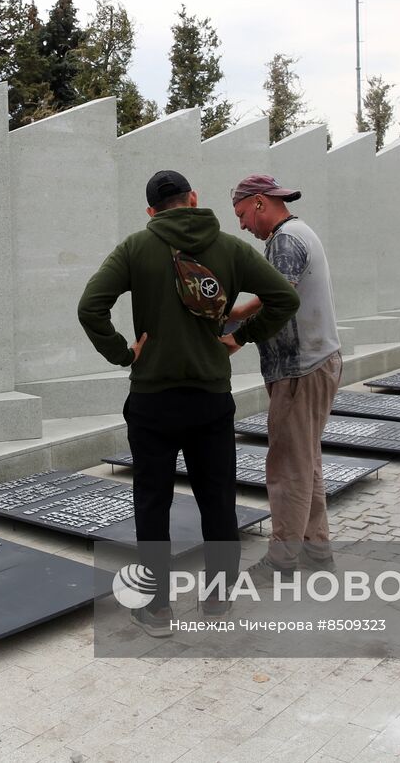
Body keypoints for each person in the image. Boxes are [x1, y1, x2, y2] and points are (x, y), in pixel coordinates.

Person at [78, 170, 299, 636]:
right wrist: (241, 338)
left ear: (151, 211)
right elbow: (282, 297)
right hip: (210, 400)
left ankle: (157, 608)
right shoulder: (230, 247)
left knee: (152, 502)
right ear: (193, 198)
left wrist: (122, 352)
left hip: (152, 400)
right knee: (217, 499)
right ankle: (218, 598)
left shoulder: (136, 247)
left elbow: (90, 306)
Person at [225, 174, 343, 581]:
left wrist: (237, 331)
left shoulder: (286, 240)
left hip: (301, 368)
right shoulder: (298, 231)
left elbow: (280, 299)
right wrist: (240, 313)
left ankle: (282, 559)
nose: (241, 225)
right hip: (315, 361)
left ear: (259, 203)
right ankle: (316, 549)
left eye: (241, 214)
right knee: (305, 461)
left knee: (287, 466)